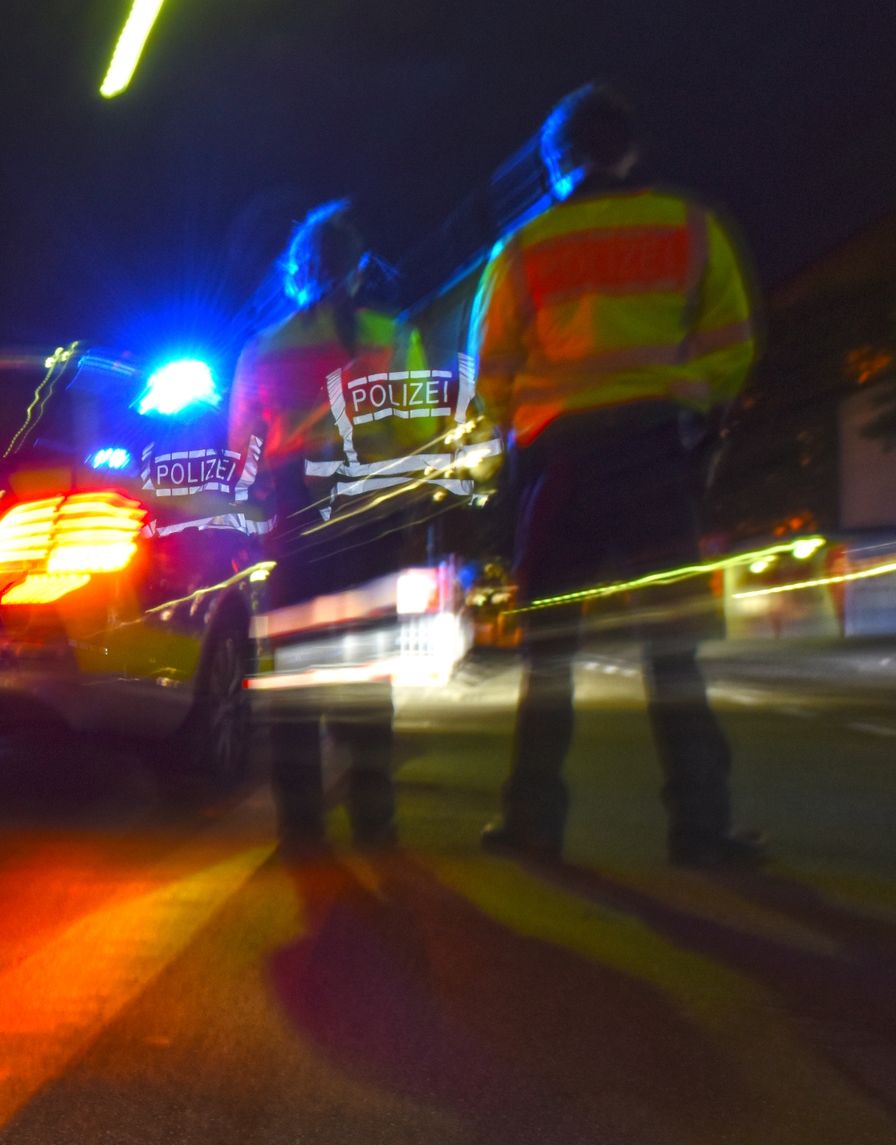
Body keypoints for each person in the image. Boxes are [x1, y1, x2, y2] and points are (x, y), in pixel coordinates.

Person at [471, 83, 760, 867]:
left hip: (561, 465)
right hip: (653, 458)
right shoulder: (689, 226)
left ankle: (532, 824)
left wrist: (525, 429)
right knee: (673, 652)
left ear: (555, 161)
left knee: (550, 655)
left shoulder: (523, 249)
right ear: (629, 150)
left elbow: (491, 374)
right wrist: (692, 415)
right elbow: (730, 344)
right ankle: (701, 830)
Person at [228, 201, 442, 854]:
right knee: (367, 674)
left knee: (296, 674)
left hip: (297, 518)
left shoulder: (263, 349)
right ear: (358, 271)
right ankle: (375, 820)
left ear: (296, 273)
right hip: (372, 520)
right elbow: (421, 435)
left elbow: (245, 452)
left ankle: (301, 830)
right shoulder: (393, 335)